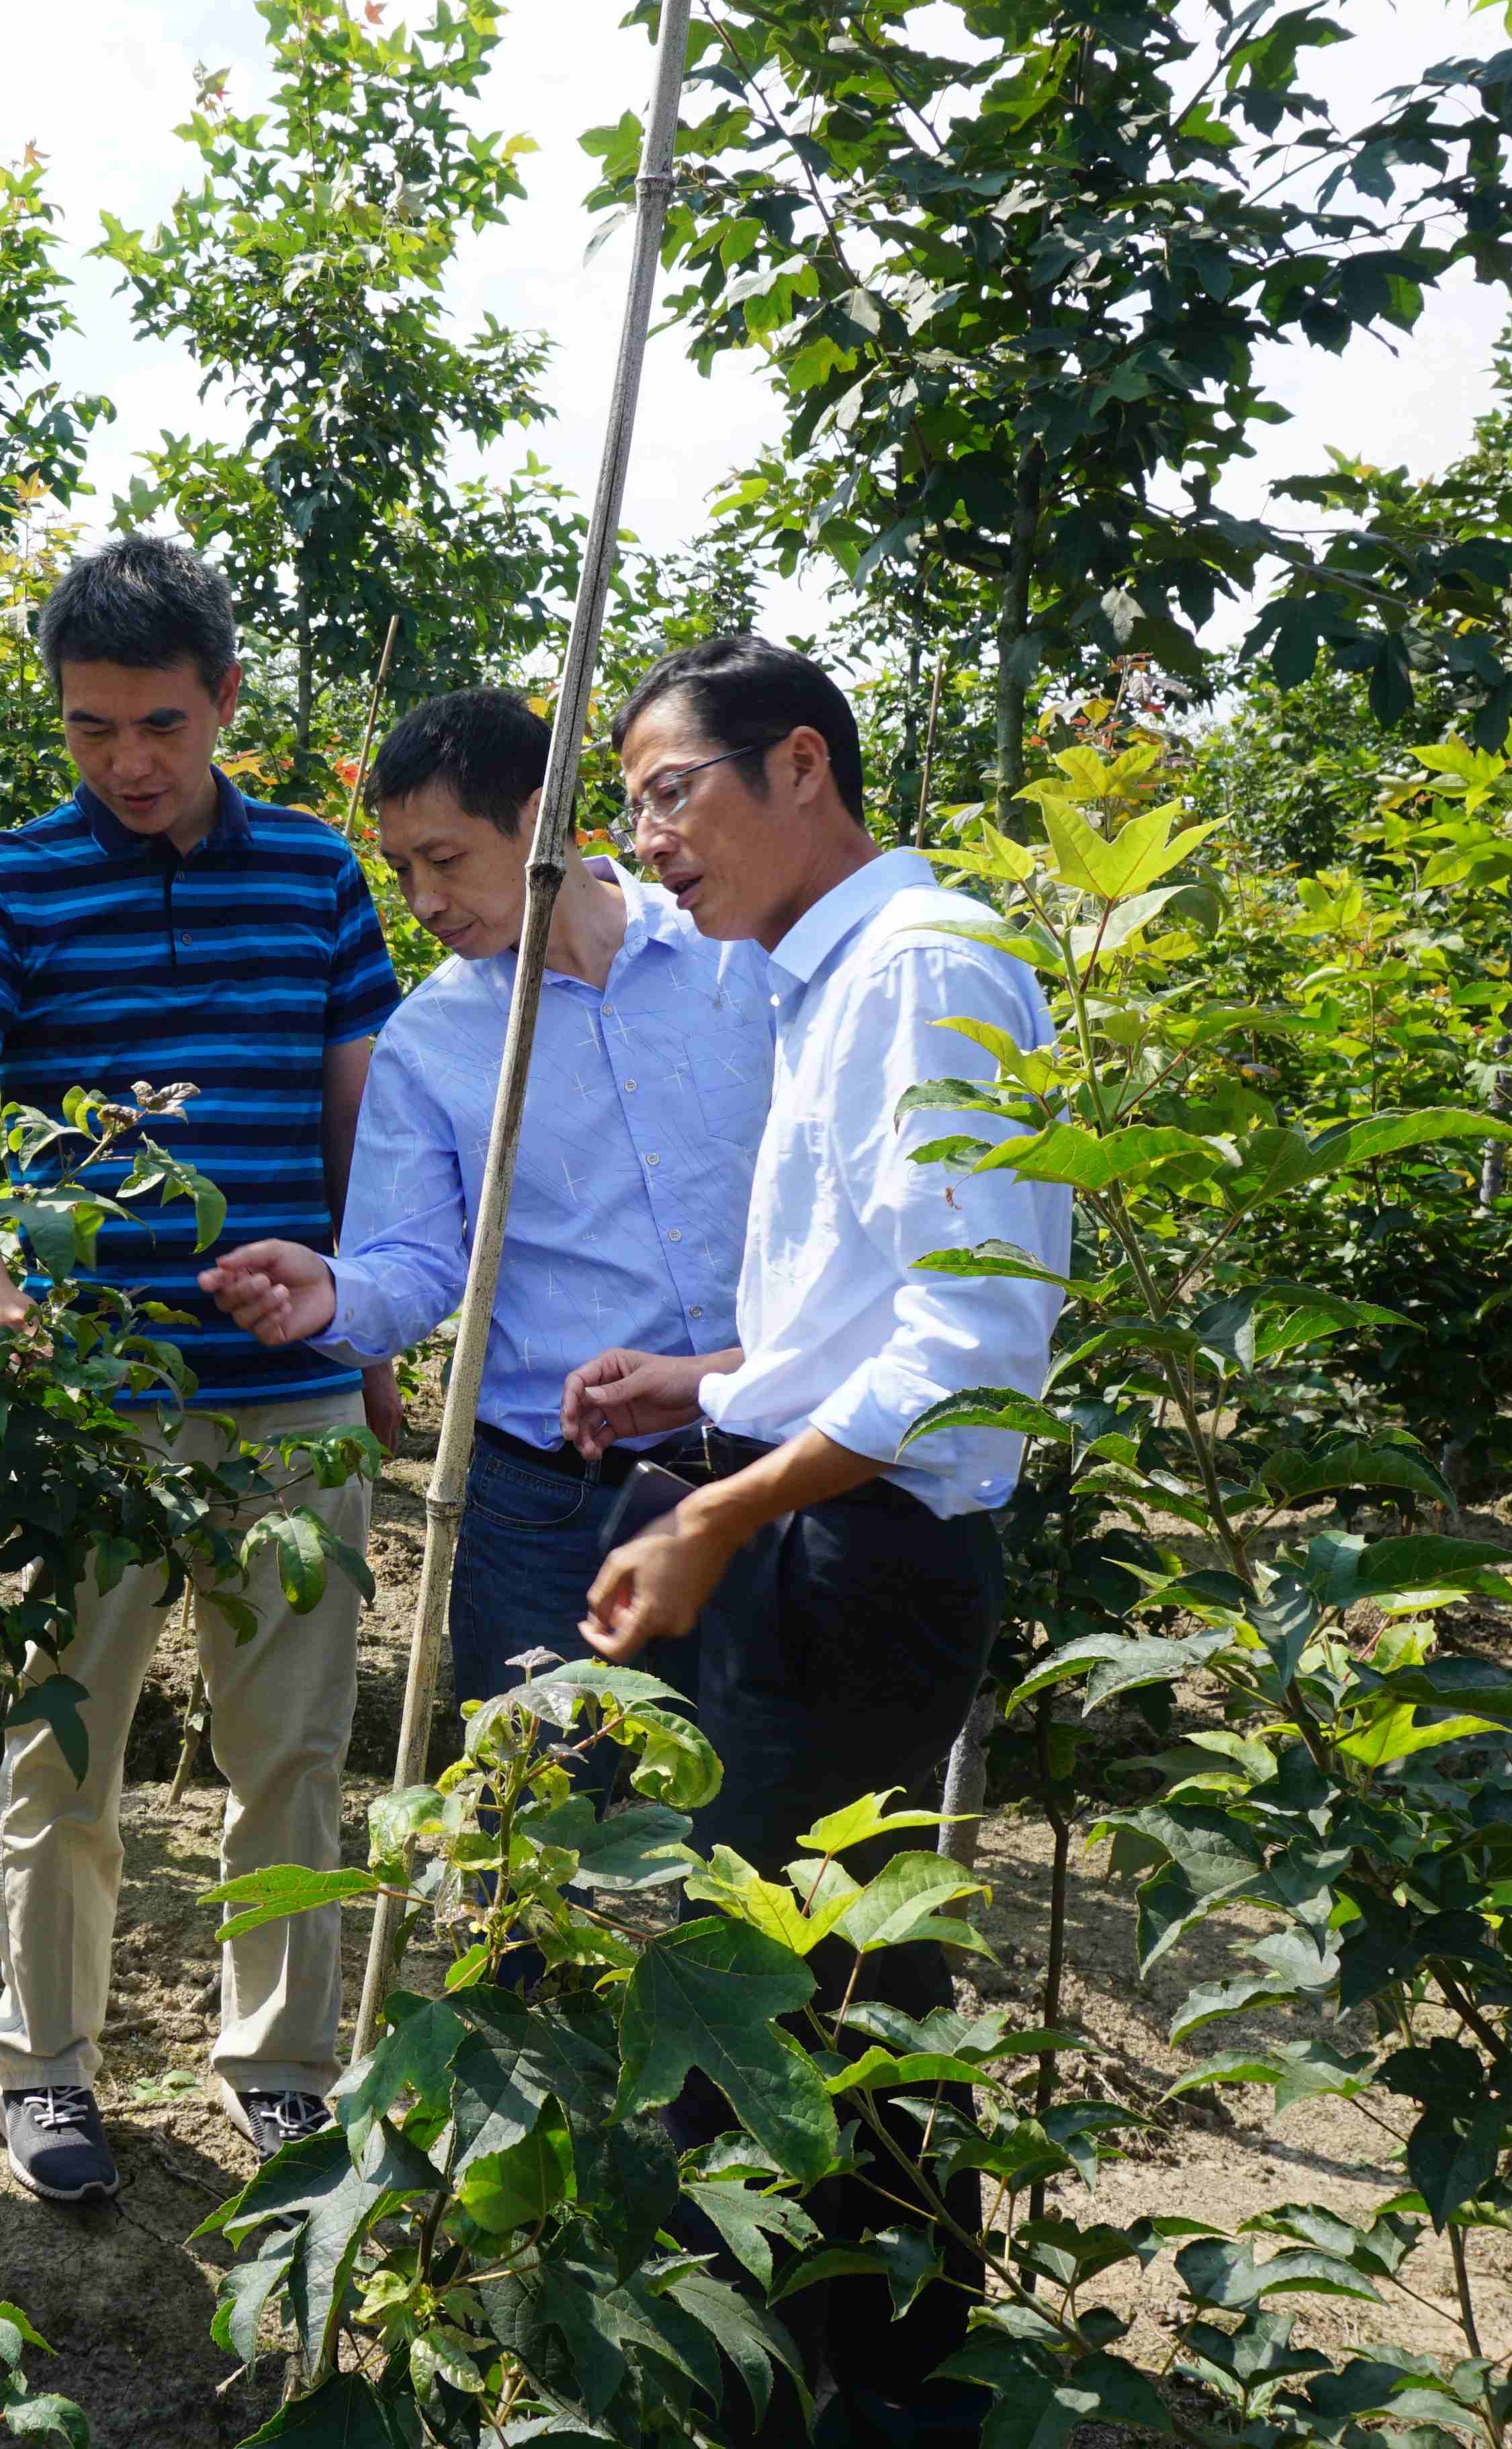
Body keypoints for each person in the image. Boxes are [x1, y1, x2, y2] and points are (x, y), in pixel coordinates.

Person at [565, 634, 1069, 2445]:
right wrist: (706, 1386)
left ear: (799, 768)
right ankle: (864, 2371)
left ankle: (832, 2386)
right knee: (836, 1973)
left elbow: (963, 1344)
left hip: (866, 1562)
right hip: (826, 1529)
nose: (658, 848)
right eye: (636, 811)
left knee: (802, 1990)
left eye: (672, 795)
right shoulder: (830, 985)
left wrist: (722, 1504)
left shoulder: (924, 980)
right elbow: (867, 1319)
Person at [0, 531, 402, 2207]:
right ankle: (46, 2067)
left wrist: (370, 1307)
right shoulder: (8, 881)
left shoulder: (322, 876)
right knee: (65, 1747)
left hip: (290, 1390)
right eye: (90, 727)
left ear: (229, 703)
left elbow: (363, 1116)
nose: (128, 762)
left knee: (297, 1749)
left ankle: (282, 2064)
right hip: (86, 1397)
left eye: (165, 726)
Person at [197, 684, 770, 1731]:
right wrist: (328, 1294)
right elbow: (411, 1265)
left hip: (765, 1468)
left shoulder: (736, 962)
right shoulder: (433, 1039)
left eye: (445, 859)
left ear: (544, 818)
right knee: (530, 1847)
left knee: (763, 1839)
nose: (421, 898)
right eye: (402, 869)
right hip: (553, 1503)